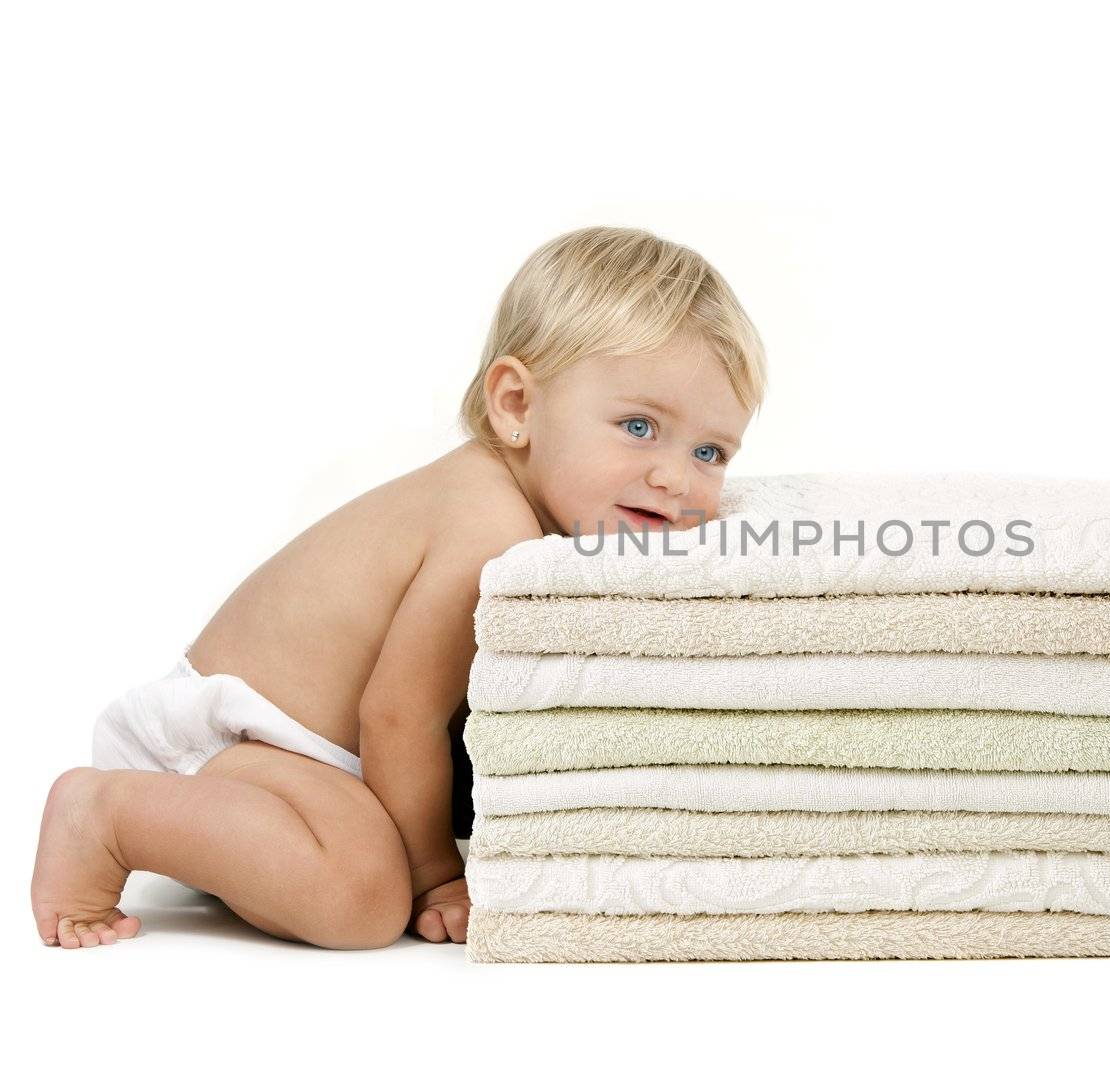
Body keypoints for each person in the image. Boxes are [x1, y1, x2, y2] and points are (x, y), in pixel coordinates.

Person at [30, 225, 767, 950]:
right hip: (239, 741)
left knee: (364, 858)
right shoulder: (489, 528)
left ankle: (215, 837)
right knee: (362, 897)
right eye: (639, 426)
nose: (676, 477)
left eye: (710, 451)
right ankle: (104, 813)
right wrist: (434, 875)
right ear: (516, 405)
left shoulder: (532, 519)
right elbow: (397, 715)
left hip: (297, 766)